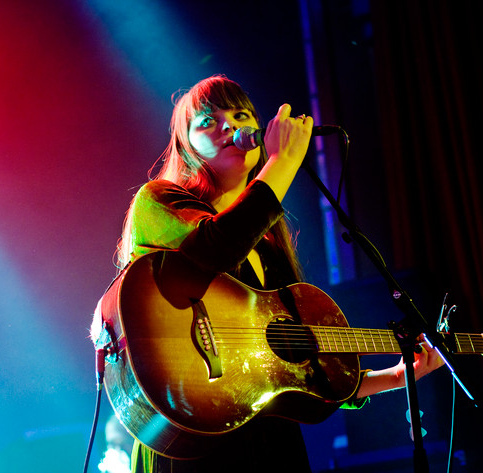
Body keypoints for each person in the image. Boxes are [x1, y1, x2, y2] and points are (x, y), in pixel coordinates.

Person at [93, 75, 443, 473]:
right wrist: (282, 163)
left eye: (240, 115)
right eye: (208, 120)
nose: (229, 126)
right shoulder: (159, 201)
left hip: (268, 443)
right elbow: (212, 251)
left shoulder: (268, 244)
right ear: (185, 145)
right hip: (193, 439)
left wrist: (398, 376)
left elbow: (298, 373)